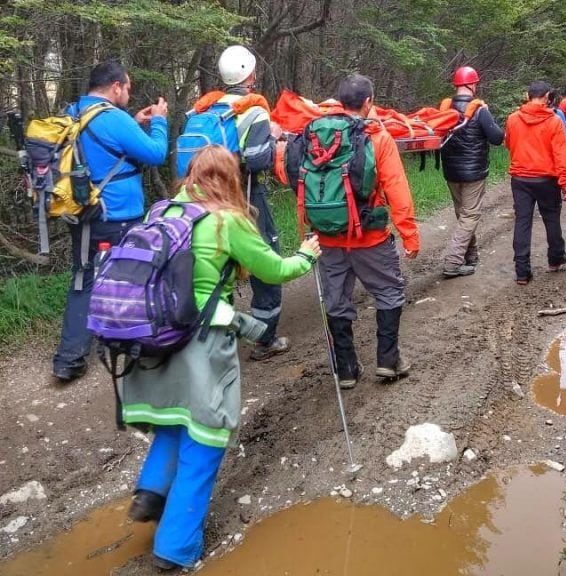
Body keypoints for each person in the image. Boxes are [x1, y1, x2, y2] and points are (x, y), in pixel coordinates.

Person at [121, 145, 321, 571]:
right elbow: (274, 270)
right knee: (206, 436)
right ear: (231, 177)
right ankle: (175, 549)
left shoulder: (164, 210)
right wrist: (306, 255)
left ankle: (151, 492)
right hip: (202, 341)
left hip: (154, 335)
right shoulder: (227, 220)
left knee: (177, 417)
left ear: (191, 173)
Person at [53, 60, 168, 382]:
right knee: (130, 276)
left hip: (81, 212)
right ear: (115, 87)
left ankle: (68, 359)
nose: (129, 93)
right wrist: (158, 121)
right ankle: (135, 348)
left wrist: (133, 122)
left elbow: (100, 149)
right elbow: (157, 153)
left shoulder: (74, 112)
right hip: (117, 216)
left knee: (84, 279)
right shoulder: (113, 119)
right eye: (128, 88)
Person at [315, 74, 420, 389]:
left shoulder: (316, 135)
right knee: (388, 291)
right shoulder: (377, 137)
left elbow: (292, 172)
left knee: (336, 301)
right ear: (369, 102)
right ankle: (388, 361)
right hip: (369, 236)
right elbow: (397, 190)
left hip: (327, 237)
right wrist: (409, 236)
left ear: (339, 101)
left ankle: (346, 370)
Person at [216, 44, 288, 361]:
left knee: (220, 264)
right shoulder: (253, 110)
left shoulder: (207, 108)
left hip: (208, 198)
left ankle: (221, 340)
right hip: (245, 195)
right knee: (264, 258)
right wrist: (272, 137)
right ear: (251, 75)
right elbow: (258, 161)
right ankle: (264, 337)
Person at [439, 66, 504, 278]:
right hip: (473, 172)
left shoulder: (445, 109)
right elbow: (496, 138)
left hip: (451, 171)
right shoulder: (479, 110)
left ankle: (471, 255)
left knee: (463, 214)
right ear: (472, 84)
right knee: (469, 216)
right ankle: (453, 262)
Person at [505, 80, 566, 286]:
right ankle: (555, 258)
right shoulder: (553, 122)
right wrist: (565, 182)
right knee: (551, 219)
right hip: (546, 179)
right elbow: (560, 154)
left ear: (528, 95)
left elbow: (509, 143)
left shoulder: (513, 119)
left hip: (520, 178)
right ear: (546, 97)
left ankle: (522, 272)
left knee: (522, 222)